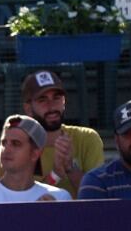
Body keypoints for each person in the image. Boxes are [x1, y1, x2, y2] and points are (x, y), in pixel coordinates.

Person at [9, 69, 103, 198]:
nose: (52, 106)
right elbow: (17, 205)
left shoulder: (87, 138)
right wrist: (55, 175)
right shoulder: (12, 146)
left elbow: (98, 197)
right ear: (28, 109)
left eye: (57, 98)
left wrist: (70, 168)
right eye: (43, 100)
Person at [0, 115, 70, 203]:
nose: (6, 149)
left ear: (35, 153)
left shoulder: (58, 198)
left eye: (16, 144)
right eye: (4, 143)